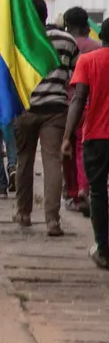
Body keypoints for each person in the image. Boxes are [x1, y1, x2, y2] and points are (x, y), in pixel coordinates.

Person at [14, 0, 79, 236]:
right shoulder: (67, 40)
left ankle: (23, 213)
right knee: (52, 162)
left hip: (26, 108)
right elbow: (75, 76)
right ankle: (52, 220)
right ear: (45, 13)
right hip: (56, 108)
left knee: (24, 161)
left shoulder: (19, 39)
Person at [63, 23, 109, 269]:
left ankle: (103, 248)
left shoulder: (89, 61)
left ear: (101, 37)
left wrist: (68, 135)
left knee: (98, 192)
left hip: (97, 136)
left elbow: (78, 100)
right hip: (97, 136)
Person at [62, 7, 99, 214]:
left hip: (67, 105)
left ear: (67, 26)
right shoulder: (96, 48)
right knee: (83, 150)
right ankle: (85, 188)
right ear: (86, 26)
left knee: (67, 150)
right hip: (89, 106)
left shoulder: (64, 46)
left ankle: (74, 193)